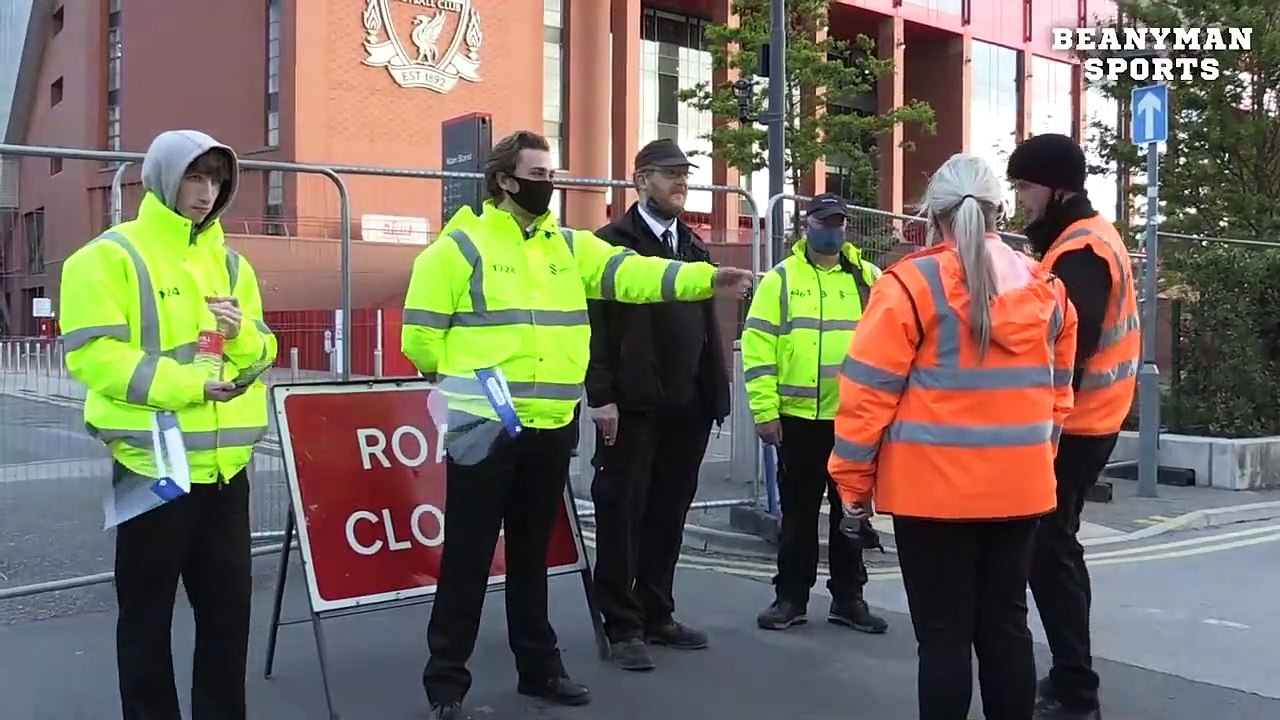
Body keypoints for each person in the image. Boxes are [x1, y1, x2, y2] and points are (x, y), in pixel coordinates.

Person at [401, 129, 753, 720]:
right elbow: (420, 342)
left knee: (533, 555)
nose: (550, 186)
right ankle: (446, 684)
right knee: (467, 556)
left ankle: (538, 668)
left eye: (553, 175)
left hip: (549, 426)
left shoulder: (568, 247)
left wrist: (705, 280)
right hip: (482, 427)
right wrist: (478, 382)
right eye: (538, 175)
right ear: (504, 180)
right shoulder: (457, 248)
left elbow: (633, 274)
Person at [828, 153, 1078, 720]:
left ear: (932, 215)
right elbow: (1059, 399)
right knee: (1007, 628)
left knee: (942, 639)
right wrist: (1034, 463)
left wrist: (852, 484)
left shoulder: (910, 285)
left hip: (930, 495)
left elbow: (866, 396)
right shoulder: (1047, 289)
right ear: (997, 211)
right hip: (1019, 491)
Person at [59, 129, 277, 720]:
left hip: (228, 472)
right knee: (147, 619)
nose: (206, 192)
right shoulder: (109, 257)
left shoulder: (233, 265)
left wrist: (241, 335)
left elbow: (263, 353)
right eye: (195, 177)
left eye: (216, 180)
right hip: (148, 465)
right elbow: (92, 356)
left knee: (228, 619)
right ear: (162, 177)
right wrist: (188, 386)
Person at [584, 139, 732, 670]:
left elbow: (709, 328)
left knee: (669, 512)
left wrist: (717, 392)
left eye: (684, 175)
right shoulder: (610, 243)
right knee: (622, 510)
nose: (681, 182)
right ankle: (622, 624)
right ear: (640, 179)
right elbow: (597, 327)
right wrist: (600, 396)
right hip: (632, 404)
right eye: (670, 174)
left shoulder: (692, 245)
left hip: (687, 403)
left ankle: (656, 610)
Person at [1008, 132, 1140, 720]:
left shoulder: (1080, 251)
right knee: (1053, 547)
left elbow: (1069, 349)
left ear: (1057, 188)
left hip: (1077, 426)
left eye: (1027, 187)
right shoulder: (1081, 238)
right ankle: (1069, 677)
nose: (1021, 200)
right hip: (1092, 419)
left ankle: (1074, 687)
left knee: (1050, 549)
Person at [741, 192, 889, 635]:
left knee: (852, 514)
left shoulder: (868, 279)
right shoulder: (782, 280)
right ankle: (791, 597)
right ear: (808, 226)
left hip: (853, 419)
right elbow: (758, 345)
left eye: (840, 222)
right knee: (799, 514)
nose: (833, 230)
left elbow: (888, 346)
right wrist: (765, 411)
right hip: (798, 418)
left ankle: (849, 598)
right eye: (825, 222)